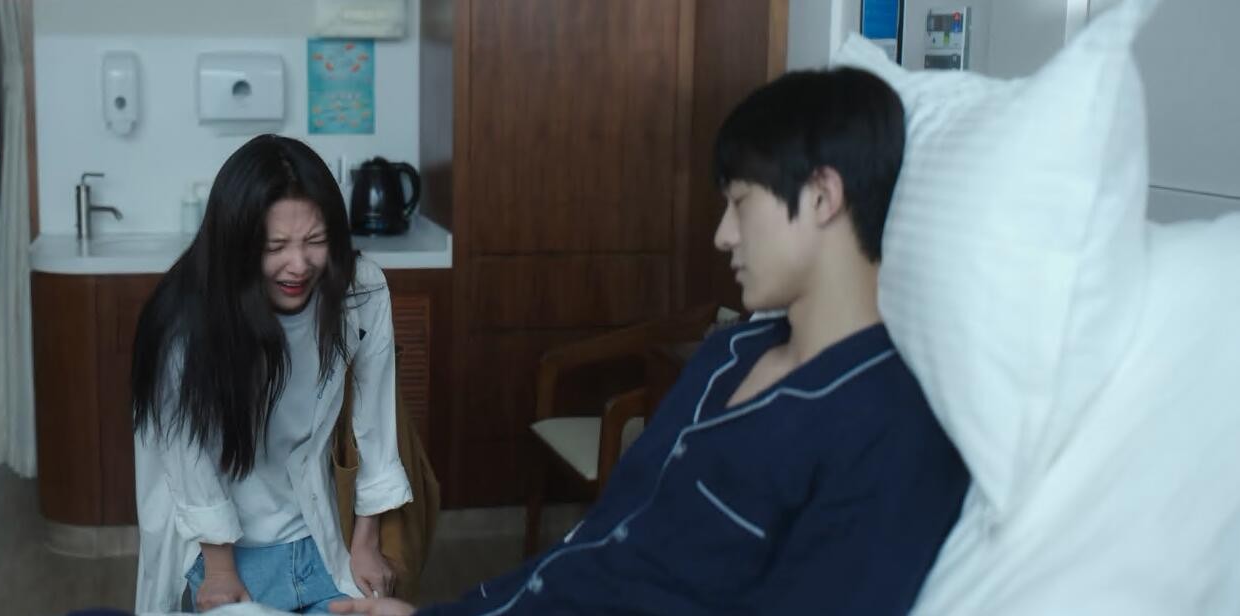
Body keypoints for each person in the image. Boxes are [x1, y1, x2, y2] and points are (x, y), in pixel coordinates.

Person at [331, 67, 969, 616]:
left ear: (822, 196)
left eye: (741, 203)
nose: (723, 235)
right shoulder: (727, 357)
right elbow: (600, 548)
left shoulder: (890, 427)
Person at [130, 135, 412, 614]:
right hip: (226, 555)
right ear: (236, 246)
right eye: (274, 246)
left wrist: (366, 542)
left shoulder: (360, 291)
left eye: (316, 241)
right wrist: (221, 570)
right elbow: (187, 457)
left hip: (323, 542)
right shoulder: (185, 321)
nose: (298, 265)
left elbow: (377, 425)